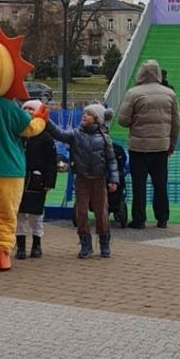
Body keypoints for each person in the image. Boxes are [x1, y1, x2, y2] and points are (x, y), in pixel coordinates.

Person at [45, 103, 119, 259]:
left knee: (101, 212)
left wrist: (114, 179)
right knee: (81, 212)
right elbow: (59, 134)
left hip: (99, 180)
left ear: (97, 119)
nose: (85, 116)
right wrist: (46, 120)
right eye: (85, 113)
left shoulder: (105, 138)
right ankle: (85, 243)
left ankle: (104, 242)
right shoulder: (75, 134)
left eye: (89, 114)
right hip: (82, 179)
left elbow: (112, 160)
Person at [117, 59, 180, 229]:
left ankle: (139, 220)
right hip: (161, 147)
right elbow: (176, 123)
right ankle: (162, 218)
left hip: (139, 147)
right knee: (160, 185)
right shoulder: (169, 94)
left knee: (139, 185)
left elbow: (123, 120)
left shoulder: (133, 93)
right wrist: (171, 144)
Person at [15, 99, 58, 260]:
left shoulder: (45, 137)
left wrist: (49, 181)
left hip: (37, 180)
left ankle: (36, 244)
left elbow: (51, 161)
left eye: (32, 109)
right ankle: (20, 246)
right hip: (19, 178)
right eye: (25, 109)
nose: (28, 112)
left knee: (36, 215)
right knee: (19, 214)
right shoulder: (18, 135)